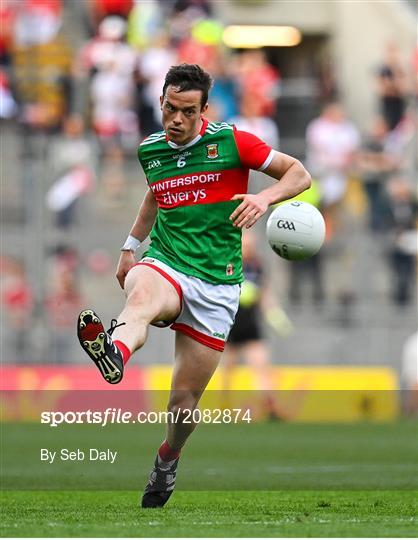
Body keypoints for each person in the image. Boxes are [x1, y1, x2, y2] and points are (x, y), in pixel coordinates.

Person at [77, 63, 311, 508]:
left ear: (204, 109)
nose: (176, 119)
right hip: (165, 260)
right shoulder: (151, 149)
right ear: (160, 103)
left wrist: (263, 197)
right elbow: (154, 194)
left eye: (186, 111)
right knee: (141, 297)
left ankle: (167, 460)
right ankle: (114, 352)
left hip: (217, 286)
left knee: (182, 404)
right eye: (168, 108)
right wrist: (130, 247)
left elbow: (299, 173)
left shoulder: (233, 142)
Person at [223, 230, 293, 420]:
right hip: (230, 325)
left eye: (251, 245)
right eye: (245, 245)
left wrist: (275, 316)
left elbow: (264, 295)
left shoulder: (258, 265)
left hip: (251, 325)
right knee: (227, 370)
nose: (249, 249)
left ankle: (270, 408)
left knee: (261, 366)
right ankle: (225, 410)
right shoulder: (228, 262)